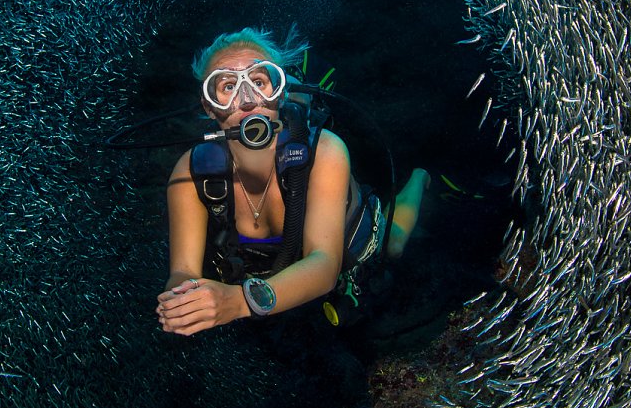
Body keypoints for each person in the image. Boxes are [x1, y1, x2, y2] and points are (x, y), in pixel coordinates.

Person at [157, 27, 429, 339]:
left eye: (259, 82)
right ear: (208, 106)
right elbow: (182, 272)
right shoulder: (189, 173)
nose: (247, 101)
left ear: (279, 92)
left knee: (394, 245)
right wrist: (181, 299)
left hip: (348, 245)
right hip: (272, 278)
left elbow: (324, 264)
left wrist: (237, 301)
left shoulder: (325, 151)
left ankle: (421, 176)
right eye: (228, 86)